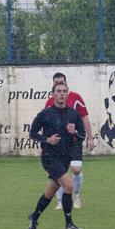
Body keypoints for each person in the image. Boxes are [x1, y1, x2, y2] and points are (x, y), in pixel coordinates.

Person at [27, 82, 85, 229]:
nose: (62, 94)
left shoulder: (73, 114)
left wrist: (74, 132)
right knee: (69, 185)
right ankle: (69, 224)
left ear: (68, 94)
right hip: (49, 157)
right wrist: (47, 140)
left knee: (49, 193)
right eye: (58, 91)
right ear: (53, 94)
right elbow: (32, 134)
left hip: (64, 158)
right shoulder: (45, 114)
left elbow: (82, 136)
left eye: (64, 91)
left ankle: (34, 217)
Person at [43, 72, 93, 210]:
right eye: (56, 83)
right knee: (60, 172)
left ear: (66, 83)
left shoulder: (76, 98)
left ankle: (76, 195)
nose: (59, 85)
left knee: (76, 169)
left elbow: (85, 118)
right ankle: (60, 201)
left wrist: (90, 137)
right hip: (58, 143)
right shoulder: (49, 103)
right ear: (53, 85)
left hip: (74, 140)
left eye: (62, 82)